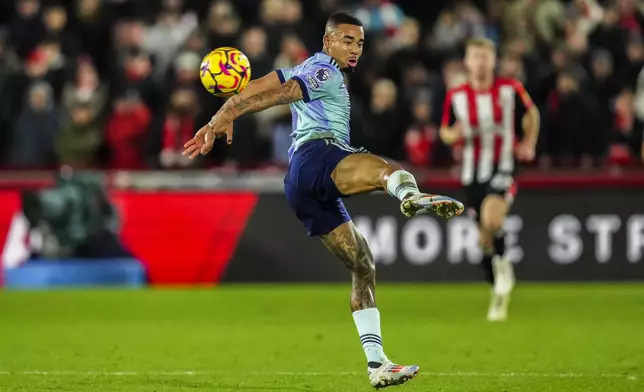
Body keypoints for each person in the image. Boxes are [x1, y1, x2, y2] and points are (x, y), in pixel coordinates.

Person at [183, 12, 464, 389]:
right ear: (327, 40)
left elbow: (251, 88)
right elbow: (282, 94)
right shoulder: (325, 72)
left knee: (363, 263)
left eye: (360, 43)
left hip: (299, 184)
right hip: (321, 157)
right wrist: (229, 112)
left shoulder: (302, 66)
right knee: (389, 170)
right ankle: (410, 197)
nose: (354, 50)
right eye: (347, 40)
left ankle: (377, 364)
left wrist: (219, 119)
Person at [440, 38, 540, 322]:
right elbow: (444, 131)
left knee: (492, 218)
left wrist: (529, 142)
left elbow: (532, 113)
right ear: (468, 62)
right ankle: (498, 276)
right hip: (472, 174)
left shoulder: (510, 89)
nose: (481, 63)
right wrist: (454, 135)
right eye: (476, 57)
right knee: (483, 237)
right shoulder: (457, 95)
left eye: (486, 57)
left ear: (493, 61)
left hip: (503, 166)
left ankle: (503, 267)